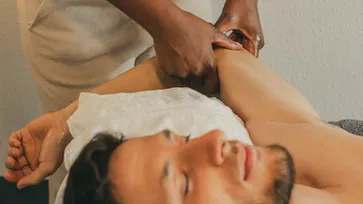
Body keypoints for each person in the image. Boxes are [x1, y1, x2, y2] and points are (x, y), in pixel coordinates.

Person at [5, 49, 363, 203]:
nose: (215, 138)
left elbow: (213, 59)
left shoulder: (280, 139)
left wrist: (66, 119)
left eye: (183, 139)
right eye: (185, 184)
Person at [18, 1, 263, 202]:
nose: (216, 139)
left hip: (186, 15)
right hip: (81, 17)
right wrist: (167, 23)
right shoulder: (266, 125)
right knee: (87, 176)